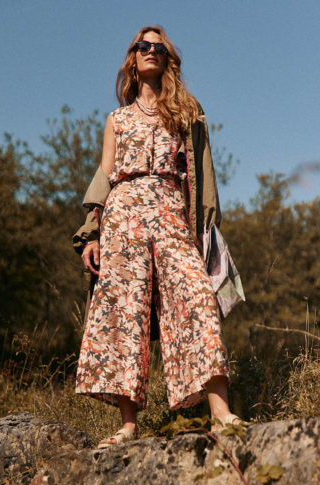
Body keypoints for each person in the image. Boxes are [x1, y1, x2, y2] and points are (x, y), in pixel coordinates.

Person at [73, 25, 241, 449]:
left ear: (168, 59)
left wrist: (205, 228)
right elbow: (105, 174)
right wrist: (91, 232)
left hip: (170, 212)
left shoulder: (186, 112)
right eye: (143, 46)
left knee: (197, 295)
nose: (151, 50)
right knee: (125, 312)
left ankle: (221, 413)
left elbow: (203, 175)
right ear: (133, 58)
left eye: (159, 47)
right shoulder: (116, 119)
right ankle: (129, 425)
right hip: (123, 216)